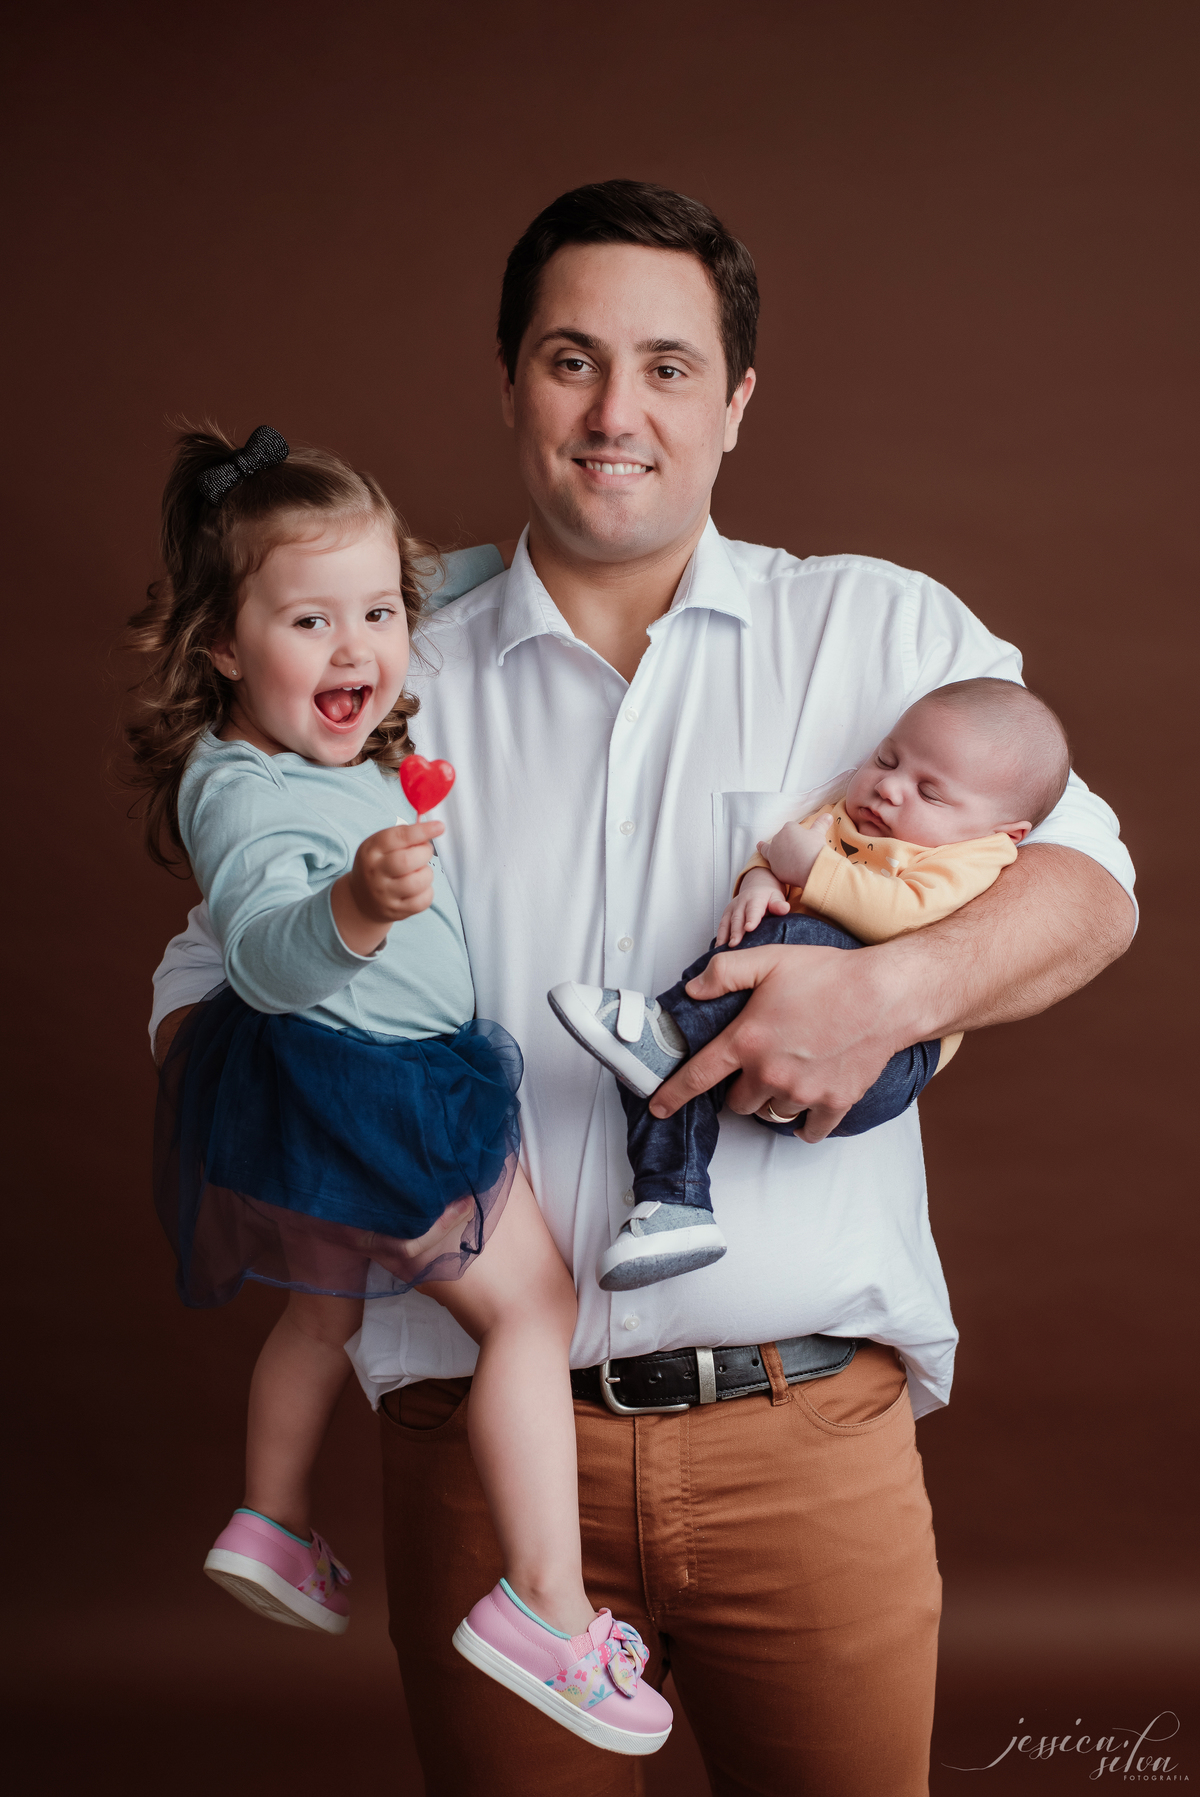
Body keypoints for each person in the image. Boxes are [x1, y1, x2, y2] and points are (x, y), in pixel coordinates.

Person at [149, 181, 1136, 1796]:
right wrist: (332, 1135)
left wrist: (888, 994)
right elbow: (211, 972)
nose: (618, 413)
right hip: (474, 1451)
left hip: (803, 1441)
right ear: (509, 382)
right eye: (573, 360)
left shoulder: (877, 629)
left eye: (668, 366)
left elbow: (1090, 886)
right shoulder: (380, 660)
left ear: (736, 400)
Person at [129, 424, 671, 1755]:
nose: (360, 649)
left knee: (324, 1309)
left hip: (317, 1101)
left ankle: (270, 1517)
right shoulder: (242, 790)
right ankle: (546, 1604)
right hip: (377, 1087)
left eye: (379, 614)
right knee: (533, 1307)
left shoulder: (330, 728)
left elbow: (438, 576)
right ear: (220, 645)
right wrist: (357, 909)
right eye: (310, 621)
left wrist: (500, 562)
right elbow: (263, 951)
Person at [548, 677, 1070, 1291]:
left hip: (880, 1064)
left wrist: (812, 870)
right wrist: (761, 882)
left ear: (1006, 832)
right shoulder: (846, 816)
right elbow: (779, 852)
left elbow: (902, 915)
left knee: (798, 941)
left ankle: (666, 1030)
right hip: (760, 1041)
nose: (889, 787)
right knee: (664, 1081)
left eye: (930, 792)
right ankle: (674, 1206)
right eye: (886, 759)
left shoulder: (974, 856)